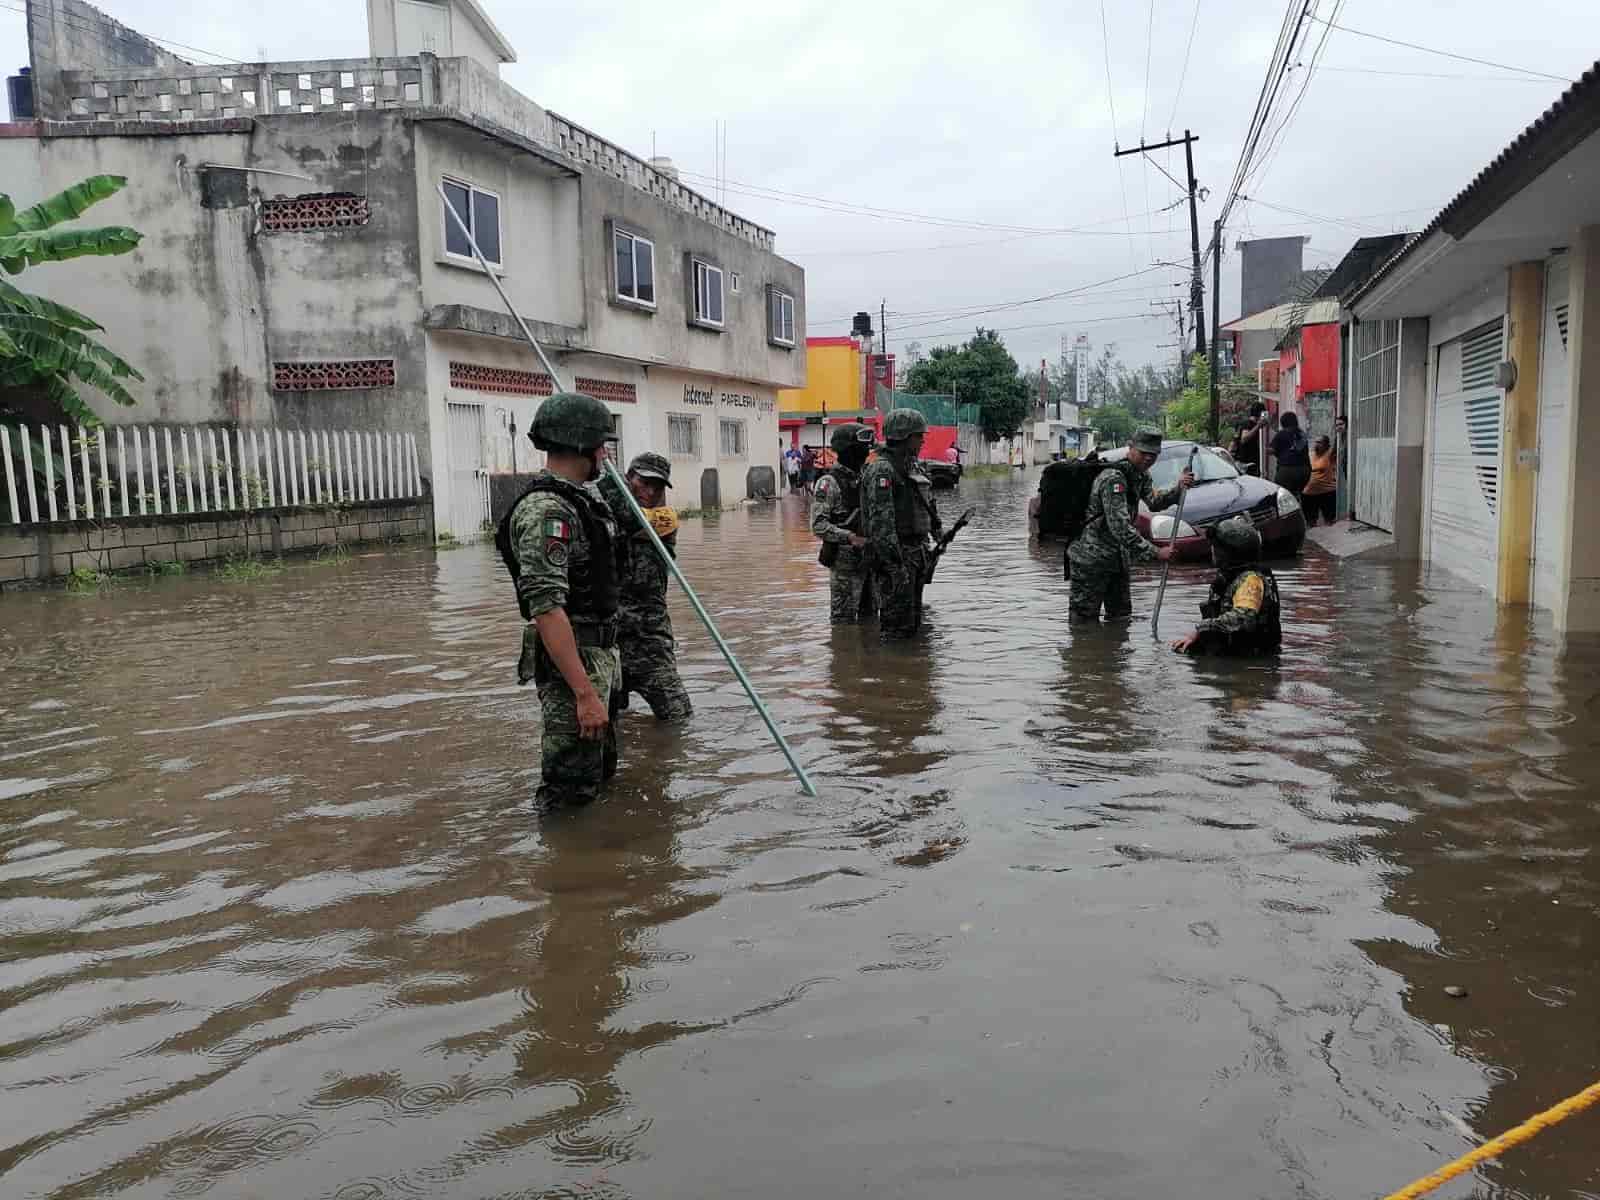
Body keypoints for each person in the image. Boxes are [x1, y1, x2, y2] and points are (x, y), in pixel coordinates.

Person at [496, 392, 627, 808]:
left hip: (599, 656)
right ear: (580, 444)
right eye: (600, 445)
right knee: (570, 796)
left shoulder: (582, 498)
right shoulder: (544, 512)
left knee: (599, 778)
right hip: (576, 666)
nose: (605, 454)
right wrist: (585, 695)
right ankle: (562, 867)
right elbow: (546, 607)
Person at [600, 451, 693, 721]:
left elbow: (632, 520)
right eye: (643, 482)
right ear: (629, 479)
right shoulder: (603, 517)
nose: (650, 491)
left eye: (658, 486)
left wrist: (608, 477)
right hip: (610, 644)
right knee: (607, 725)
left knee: (679, 717)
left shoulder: (666, 519)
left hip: (650, 641)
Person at [1067, 427, 1193, 624]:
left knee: (1120, 619)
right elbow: (1120, 528)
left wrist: (1179, 488)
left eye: (1153, 455)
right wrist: (1155, 552)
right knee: (1083, 624)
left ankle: (1115, 652)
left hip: (1118, 560)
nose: (1148, 459)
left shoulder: (1140, 476)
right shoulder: (1113, 479)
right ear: (1131, 448)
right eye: (1144, 453)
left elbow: (1154, 502)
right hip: (1091, 561)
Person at [861, 408, 942, 641]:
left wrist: (936, 531)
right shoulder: (882, 469)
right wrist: (896, 569)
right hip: (896, 559)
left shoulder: (912, 467)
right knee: (896, 630)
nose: (923, 440)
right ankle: (892, 673)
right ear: (904, 437)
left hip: (916, 555)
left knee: (913, 623)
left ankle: (911, 672)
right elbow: (881, 525)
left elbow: (927, 502)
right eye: (918, 436)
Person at [1171, 515, 1282, 656]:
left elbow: (1242, 617)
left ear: (1226, 552)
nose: (1212, 550)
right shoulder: (1232, 576)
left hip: (1250, 661)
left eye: (1216, 547)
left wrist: (1200, 630)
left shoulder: (1250, 580)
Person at [811, 422, 878, 625]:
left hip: (869, 562)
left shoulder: (867, 477)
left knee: (871, 621)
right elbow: (818, 525)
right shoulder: (829, 483)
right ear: (848, 449)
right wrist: (849, 537)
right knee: (843, 626)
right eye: (862, 447)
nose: (867, 451)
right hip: (845, 566)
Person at [1270, 411, 1311, 496]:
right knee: (1297, 494)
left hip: (1287, 471)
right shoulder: (1302, 433)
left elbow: (1271, 450)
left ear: (1283, 422)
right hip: (1304, 471)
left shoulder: (1281, 434)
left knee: (1283, 496)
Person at [1302, 435, 1337, 526]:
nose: (1316, 444)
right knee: (1310, 522)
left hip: (1327, 492)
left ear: (1326, 445)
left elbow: (1339, 444)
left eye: (1319, 442)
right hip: (1309, 493)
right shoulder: (1309, 454)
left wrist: (1340, 432)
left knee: (1329, 521)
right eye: (1315, 442)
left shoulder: (1330, 454)